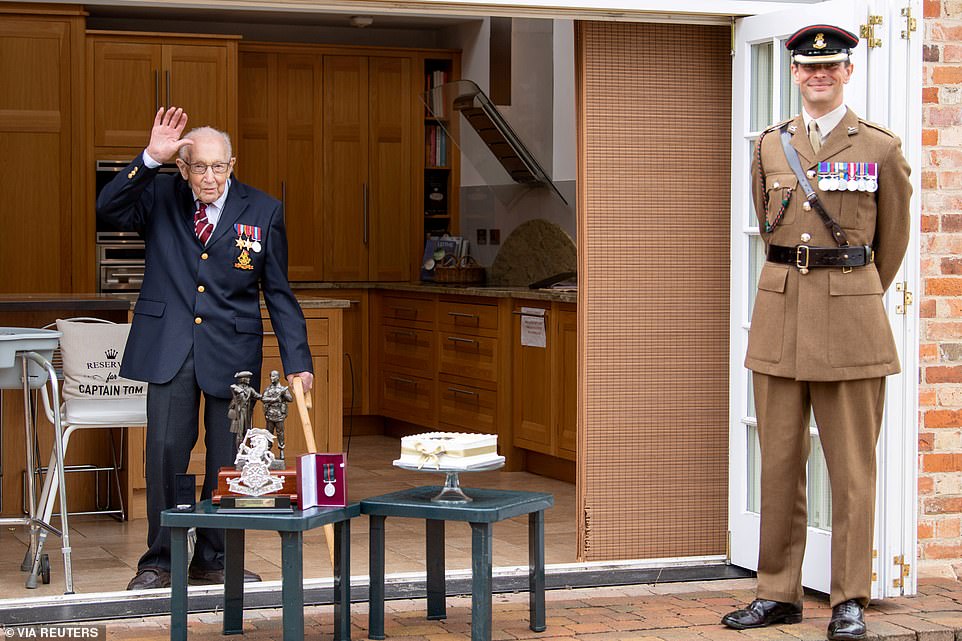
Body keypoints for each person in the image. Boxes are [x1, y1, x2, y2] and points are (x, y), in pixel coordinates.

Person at [721, 25, 911, 641]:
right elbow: (768, 224)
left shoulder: (879, 147)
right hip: (780, 319)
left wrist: (851, 294)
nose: (818, 75)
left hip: (851, 324)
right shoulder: (769, 145)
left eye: (830, 66)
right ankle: (777, 594)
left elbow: (892, 243)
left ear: (848, 71)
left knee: (851, 471)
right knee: (778, 464)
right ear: (795, 73)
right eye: (808, 66)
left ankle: (849, 598)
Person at [98, 107, 314, 590]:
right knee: (166, 454)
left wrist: (298, 362)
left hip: (233, 353)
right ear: (183, 168)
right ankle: (161, 559)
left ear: (232, 165)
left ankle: (215, 559)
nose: (210, 177)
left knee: (229, 458)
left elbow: (279, 292)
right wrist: (149, 158)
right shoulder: (158, 195)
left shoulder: (263, 210)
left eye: (219, 166)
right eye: (199, 167)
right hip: (169, 347)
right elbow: (107, 209)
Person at [261, 370, 293, 461]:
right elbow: (263, 399)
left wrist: (284, 394)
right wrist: (274, 399)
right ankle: (268, 450)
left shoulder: (283, 389)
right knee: (269, 433)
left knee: (280, 433)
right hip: (270, 414)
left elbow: (290, 399)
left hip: (279, 414)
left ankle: (281, 449)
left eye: (274, 376)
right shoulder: (268, 389)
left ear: (278, 377)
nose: (272, 378)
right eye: (271, 376)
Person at [228, 370, 260, 448]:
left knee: (247, 431)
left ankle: (245, 448)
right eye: (247, 378)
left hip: (247, 412)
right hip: (239, 412)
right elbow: (233, 388)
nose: (248, 380)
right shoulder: (236, 387)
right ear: (243, 379)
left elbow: (258, 396)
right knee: (240, 432)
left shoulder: (250, 389)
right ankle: (239, 449)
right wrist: (240, 391)